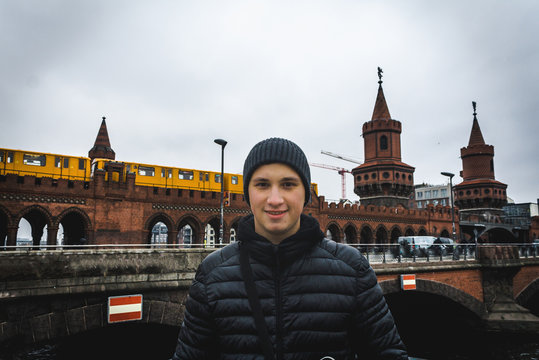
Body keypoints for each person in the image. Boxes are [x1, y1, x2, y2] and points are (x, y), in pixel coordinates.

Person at [171, 137, 408, 360]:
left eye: (288, 184)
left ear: (306, 194)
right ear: (248, 194)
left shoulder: (353, 269)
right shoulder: (211, 275)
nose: (275, 199)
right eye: (262, 184)